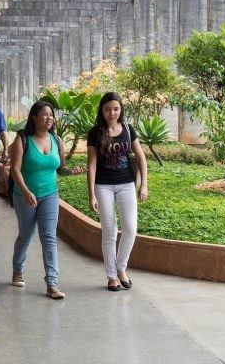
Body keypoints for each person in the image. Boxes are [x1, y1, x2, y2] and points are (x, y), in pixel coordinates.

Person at [10, 101, 81, 299]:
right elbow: (15, 169)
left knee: (49, 237)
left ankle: (52, 283)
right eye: (44, 114)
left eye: (51, 114)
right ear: (34, 117)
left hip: (50, 194)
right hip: (24, 195)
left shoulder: (56, 140)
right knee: (25, 235)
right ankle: (17, 270)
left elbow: (60, 167)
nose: (49, 118)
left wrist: (71, 172)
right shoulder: (23, 139)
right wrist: (25, 191)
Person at [86, 92, 148, 292]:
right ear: (102, 110)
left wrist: (144, 184)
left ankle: (121, 267)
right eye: (107, 109)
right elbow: (92, 164)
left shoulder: (128, 130)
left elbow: (141, 157)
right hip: (103, 186)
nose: (112, 113)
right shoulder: (95, 132)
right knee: (109, 232)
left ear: (121, 110)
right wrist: (91, 194)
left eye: (116, 109)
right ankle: (112, 276)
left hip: (126, 184)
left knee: (130, 229)